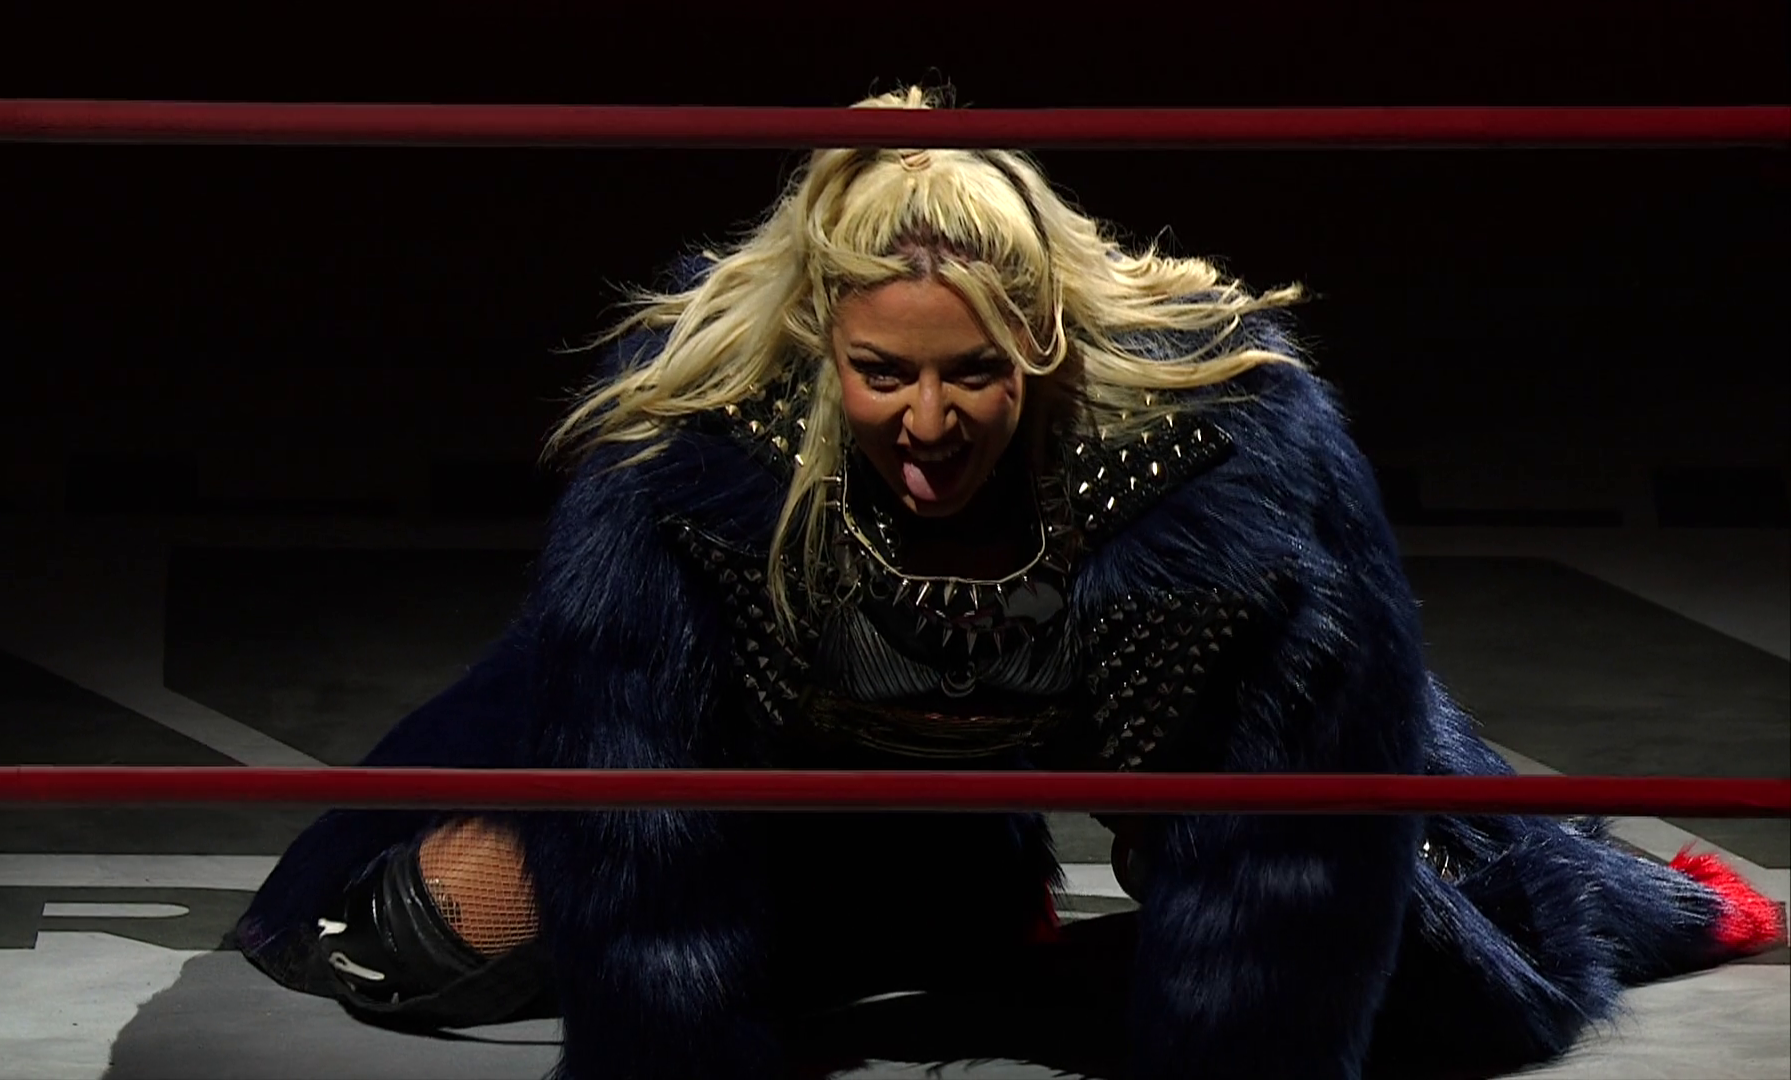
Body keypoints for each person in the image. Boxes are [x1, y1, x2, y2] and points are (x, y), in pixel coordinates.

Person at [233, 87, 1783, 1080]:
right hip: (817, 770)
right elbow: (634, 792)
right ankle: (948, 902)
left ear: (1041, 346)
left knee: (1458, 993)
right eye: (882, 375)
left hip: (1133, 750)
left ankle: (1573, 867)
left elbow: (1306, 815)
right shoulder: (699, 442)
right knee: (416, 937)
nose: (926, 425)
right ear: (818, 350)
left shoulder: (1212, 445)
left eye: (972, 373)